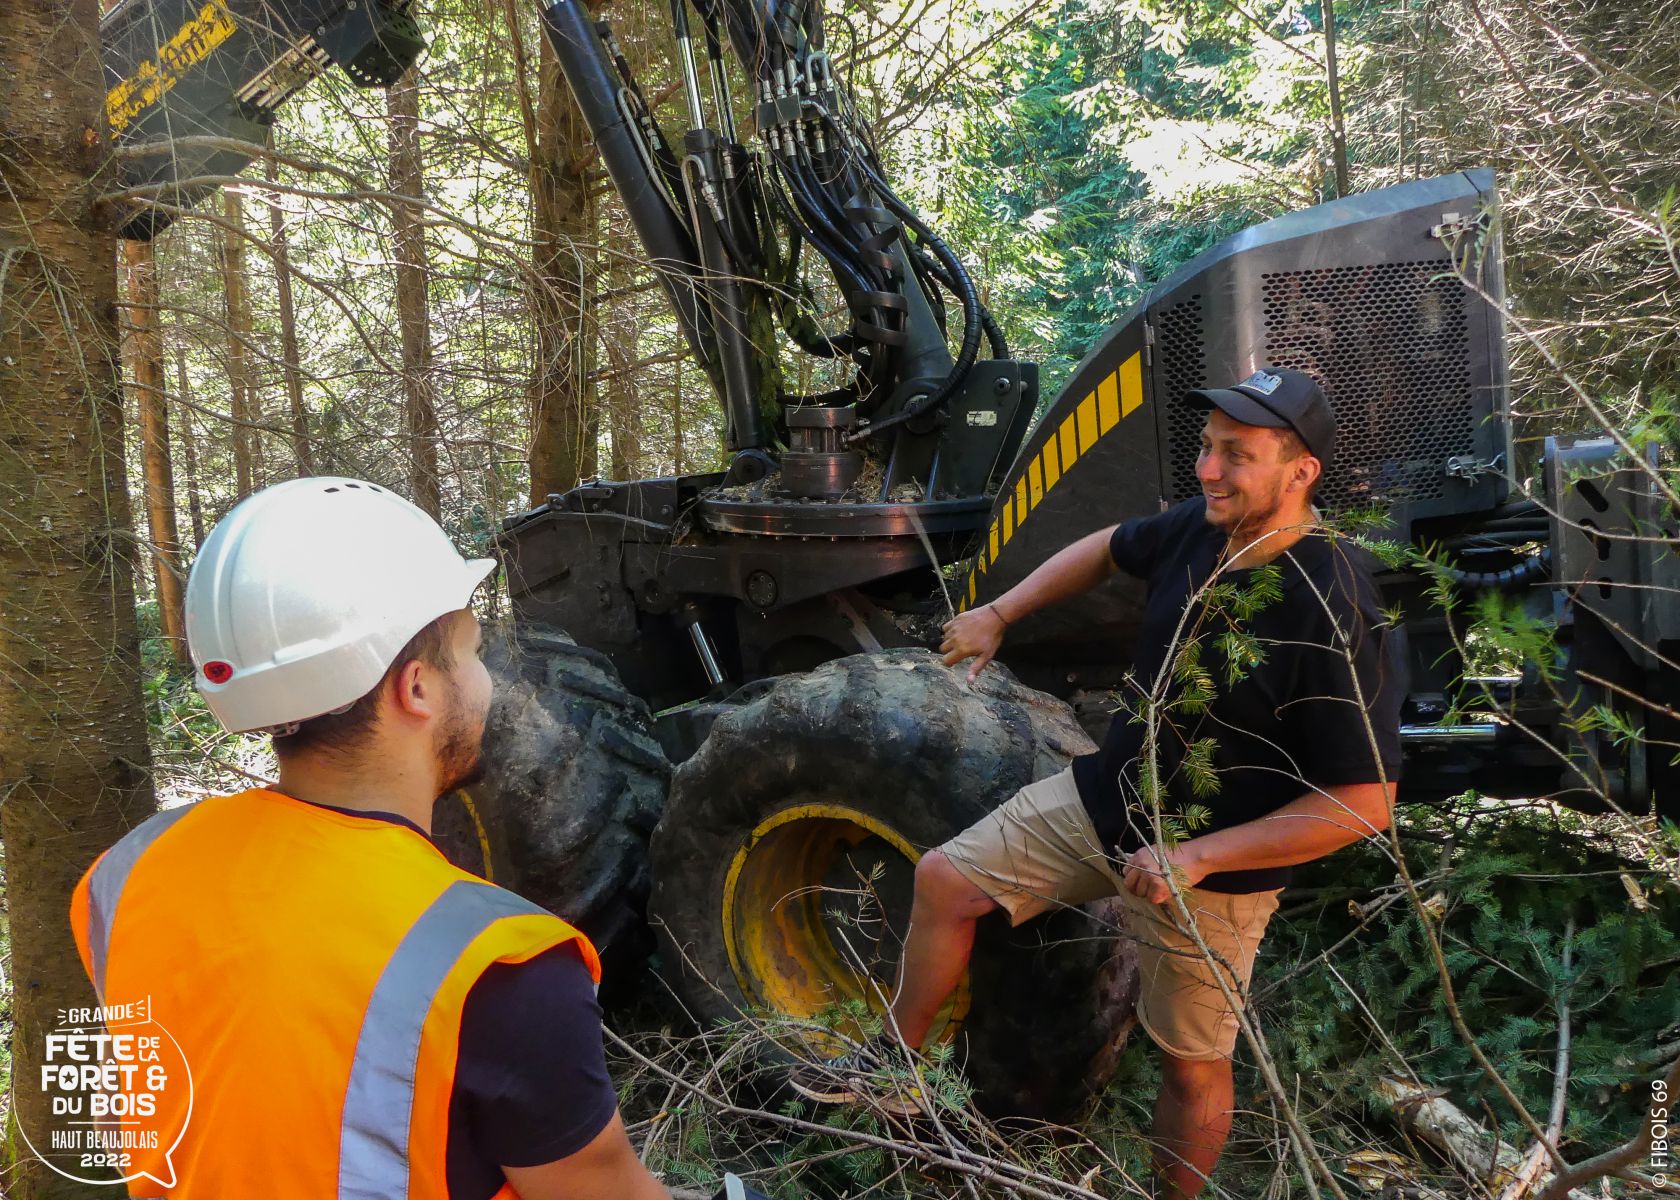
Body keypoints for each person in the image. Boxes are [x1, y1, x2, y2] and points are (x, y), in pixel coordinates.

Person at [797, 368, 1403, 1200]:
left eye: (1237, 456)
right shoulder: (1204, 526)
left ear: (1300, 474)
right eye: (1205, 448)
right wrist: (1002, 613)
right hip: (1106, 799)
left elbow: (1363, 806)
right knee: (945, 879)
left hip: (1213, 873)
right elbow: (1110, 545)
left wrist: (1195, 856)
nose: (1207, 471)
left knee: (1192, 1070)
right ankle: (895, 1066)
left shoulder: (1330, 604)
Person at [69, 477, 671, 1200]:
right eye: (473, 652)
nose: (486, 680)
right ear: (415, 688)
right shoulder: (502, 967)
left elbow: (144, 1109)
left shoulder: (131, 872)